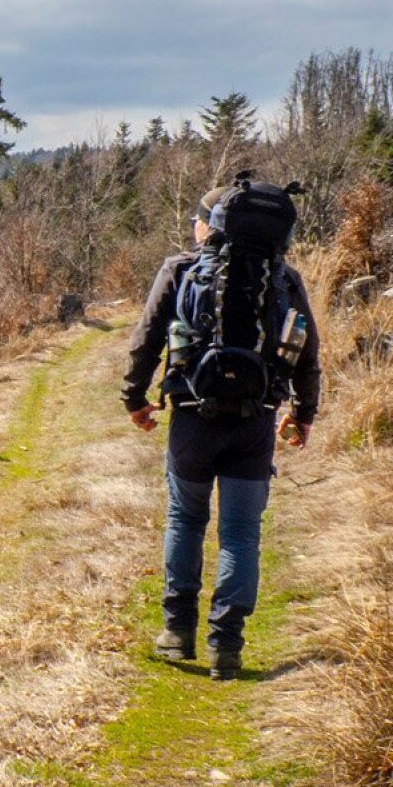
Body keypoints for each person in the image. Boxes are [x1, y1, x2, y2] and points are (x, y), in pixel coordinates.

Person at [122, 183, 322, 680]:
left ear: (208, 224)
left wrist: (134, 399)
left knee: (185, 519)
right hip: (255, 419)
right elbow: (306, 353)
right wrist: (303, 413)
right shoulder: (284, 278)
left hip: (192, 416)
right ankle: (226, 646)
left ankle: (177, 633)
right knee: (240, 533)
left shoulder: (181, 269)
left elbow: (145, 340)